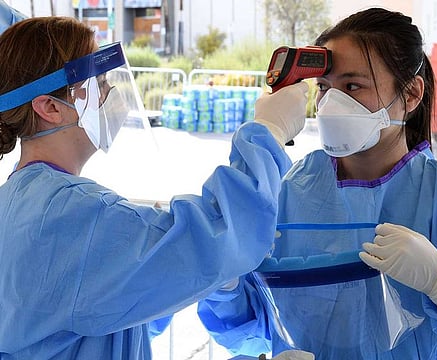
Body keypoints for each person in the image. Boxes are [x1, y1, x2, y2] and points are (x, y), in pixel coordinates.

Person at [0, 16, 309, 359]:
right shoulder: (69, 214)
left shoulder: (21, 201)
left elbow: (110, 308)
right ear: (50, 107)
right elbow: (220, 233)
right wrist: (269, 131)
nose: (108, 93)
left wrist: (172, 267)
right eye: (98, 82)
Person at [198, 7, 437, 359]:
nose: (331, 104)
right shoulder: (282, 193)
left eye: (352, 86)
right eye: (324, 87)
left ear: (410, 94)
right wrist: (224, 283)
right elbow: (245, 328)